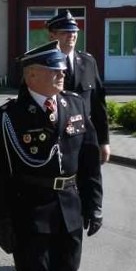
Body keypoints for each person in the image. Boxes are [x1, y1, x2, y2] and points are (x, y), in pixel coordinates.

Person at [0, 40, 103, 271]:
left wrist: (94, 204)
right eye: (54, 70)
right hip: (30, 206)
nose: (62, 74)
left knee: (67, 267)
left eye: (61, 70)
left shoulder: (76, 105)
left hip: (69, 204)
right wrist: (2, 221)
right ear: (32, 76)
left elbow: (90, 160)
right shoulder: (9, 116)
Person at [46, 10, 110, 163]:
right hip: (56, 139)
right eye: (65, 32)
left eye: (74, 31)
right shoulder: (42, 64)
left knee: (90, 183)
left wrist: (104, 141)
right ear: (52, 35)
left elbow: (98, 104)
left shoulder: (88, 62)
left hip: (86, 138)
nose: (71, 35)